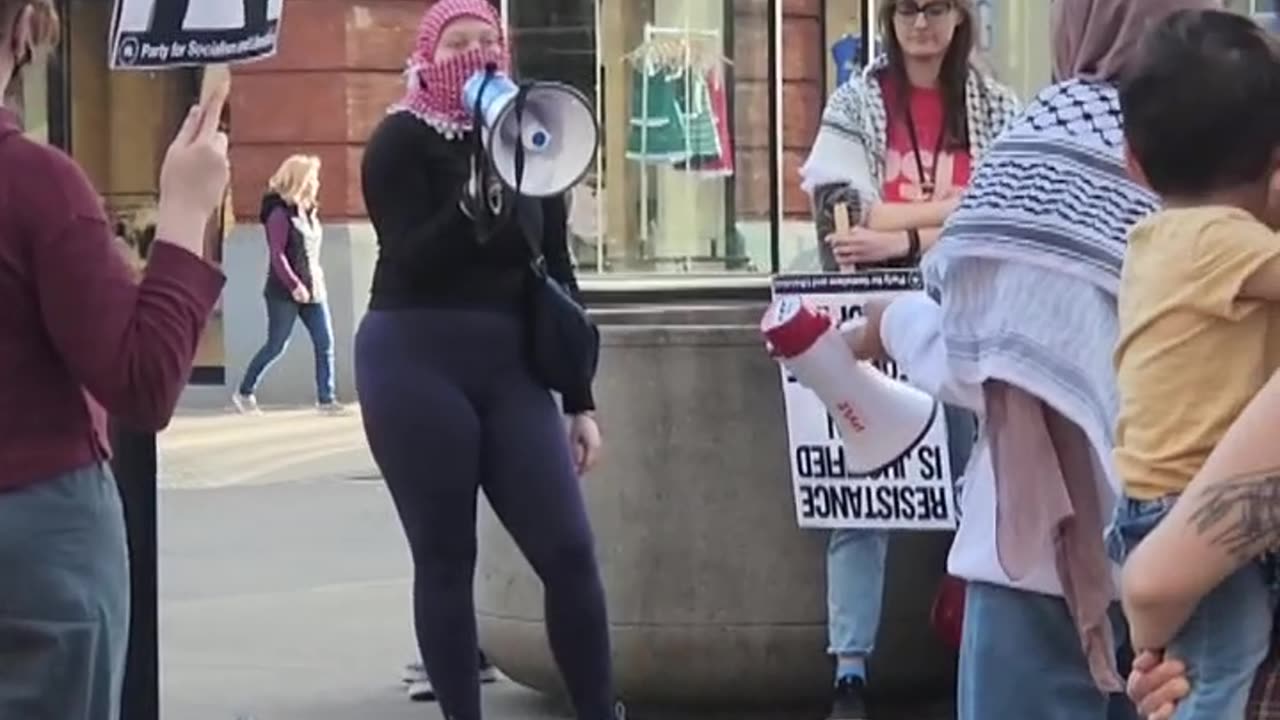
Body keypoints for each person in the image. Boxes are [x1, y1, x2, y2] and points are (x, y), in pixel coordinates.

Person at [845, 0, 1217, 717]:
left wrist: (893, 324)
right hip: (1196, 562)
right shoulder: (1223, 138)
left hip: (1031, 568)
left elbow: (979, 356)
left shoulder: (1047, 138)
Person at [356, 2, 619, 719]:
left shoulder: (536, 140)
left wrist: (580, 398)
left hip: (510, 368)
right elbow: (410, 254)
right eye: (458, 43)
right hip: (415, 356)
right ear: (428, 56)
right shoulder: (400, 141)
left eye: (487, 42)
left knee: (567, 552)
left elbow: (558, 270)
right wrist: (474, 200)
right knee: (447, 558)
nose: (475, 55)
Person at [0, 0, 229, 716]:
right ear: (17, 32)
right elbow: (142, 382)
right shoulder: (36, 187)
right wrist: (188, 209)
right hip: (37, 534)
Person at [797, 1, 1018, 716]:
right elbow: (842, 211)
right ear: (890, 20)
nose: (921, 24)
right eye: (908, 8)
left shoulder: (996, 104)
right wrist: (951, 208)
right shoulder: (858, 100)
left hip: (967, 320)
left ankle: (976, 661)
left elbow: (1005, 210)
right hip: (869, 321)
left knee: (977, 490)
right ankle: (850, 671)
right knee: (863, 495)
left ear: (961, 18)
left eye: (937, 8)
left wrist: (905, 236)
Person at [1104, 10, 1280, 719]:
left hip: (1157, 503)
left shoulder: (1158, 240)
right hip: (1184, 500)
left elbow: (1151, 590)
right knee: (1225, 658)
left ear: (1134, 164)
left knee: (1200, 667)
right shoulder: (1225, 243)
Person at [232, 154, 344, 415]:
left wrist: (312, 283)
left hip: (314, 288)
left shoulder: (308, 211)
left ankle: (326, 400)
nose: (317, 183)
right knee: (276, 345)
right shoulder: (279, 214)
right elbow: (277, 254)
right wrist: (294, 285)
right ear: (300, 180)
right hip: (284, 292)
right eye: (313, 178)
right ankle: (244, 392)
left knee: (324, 341)